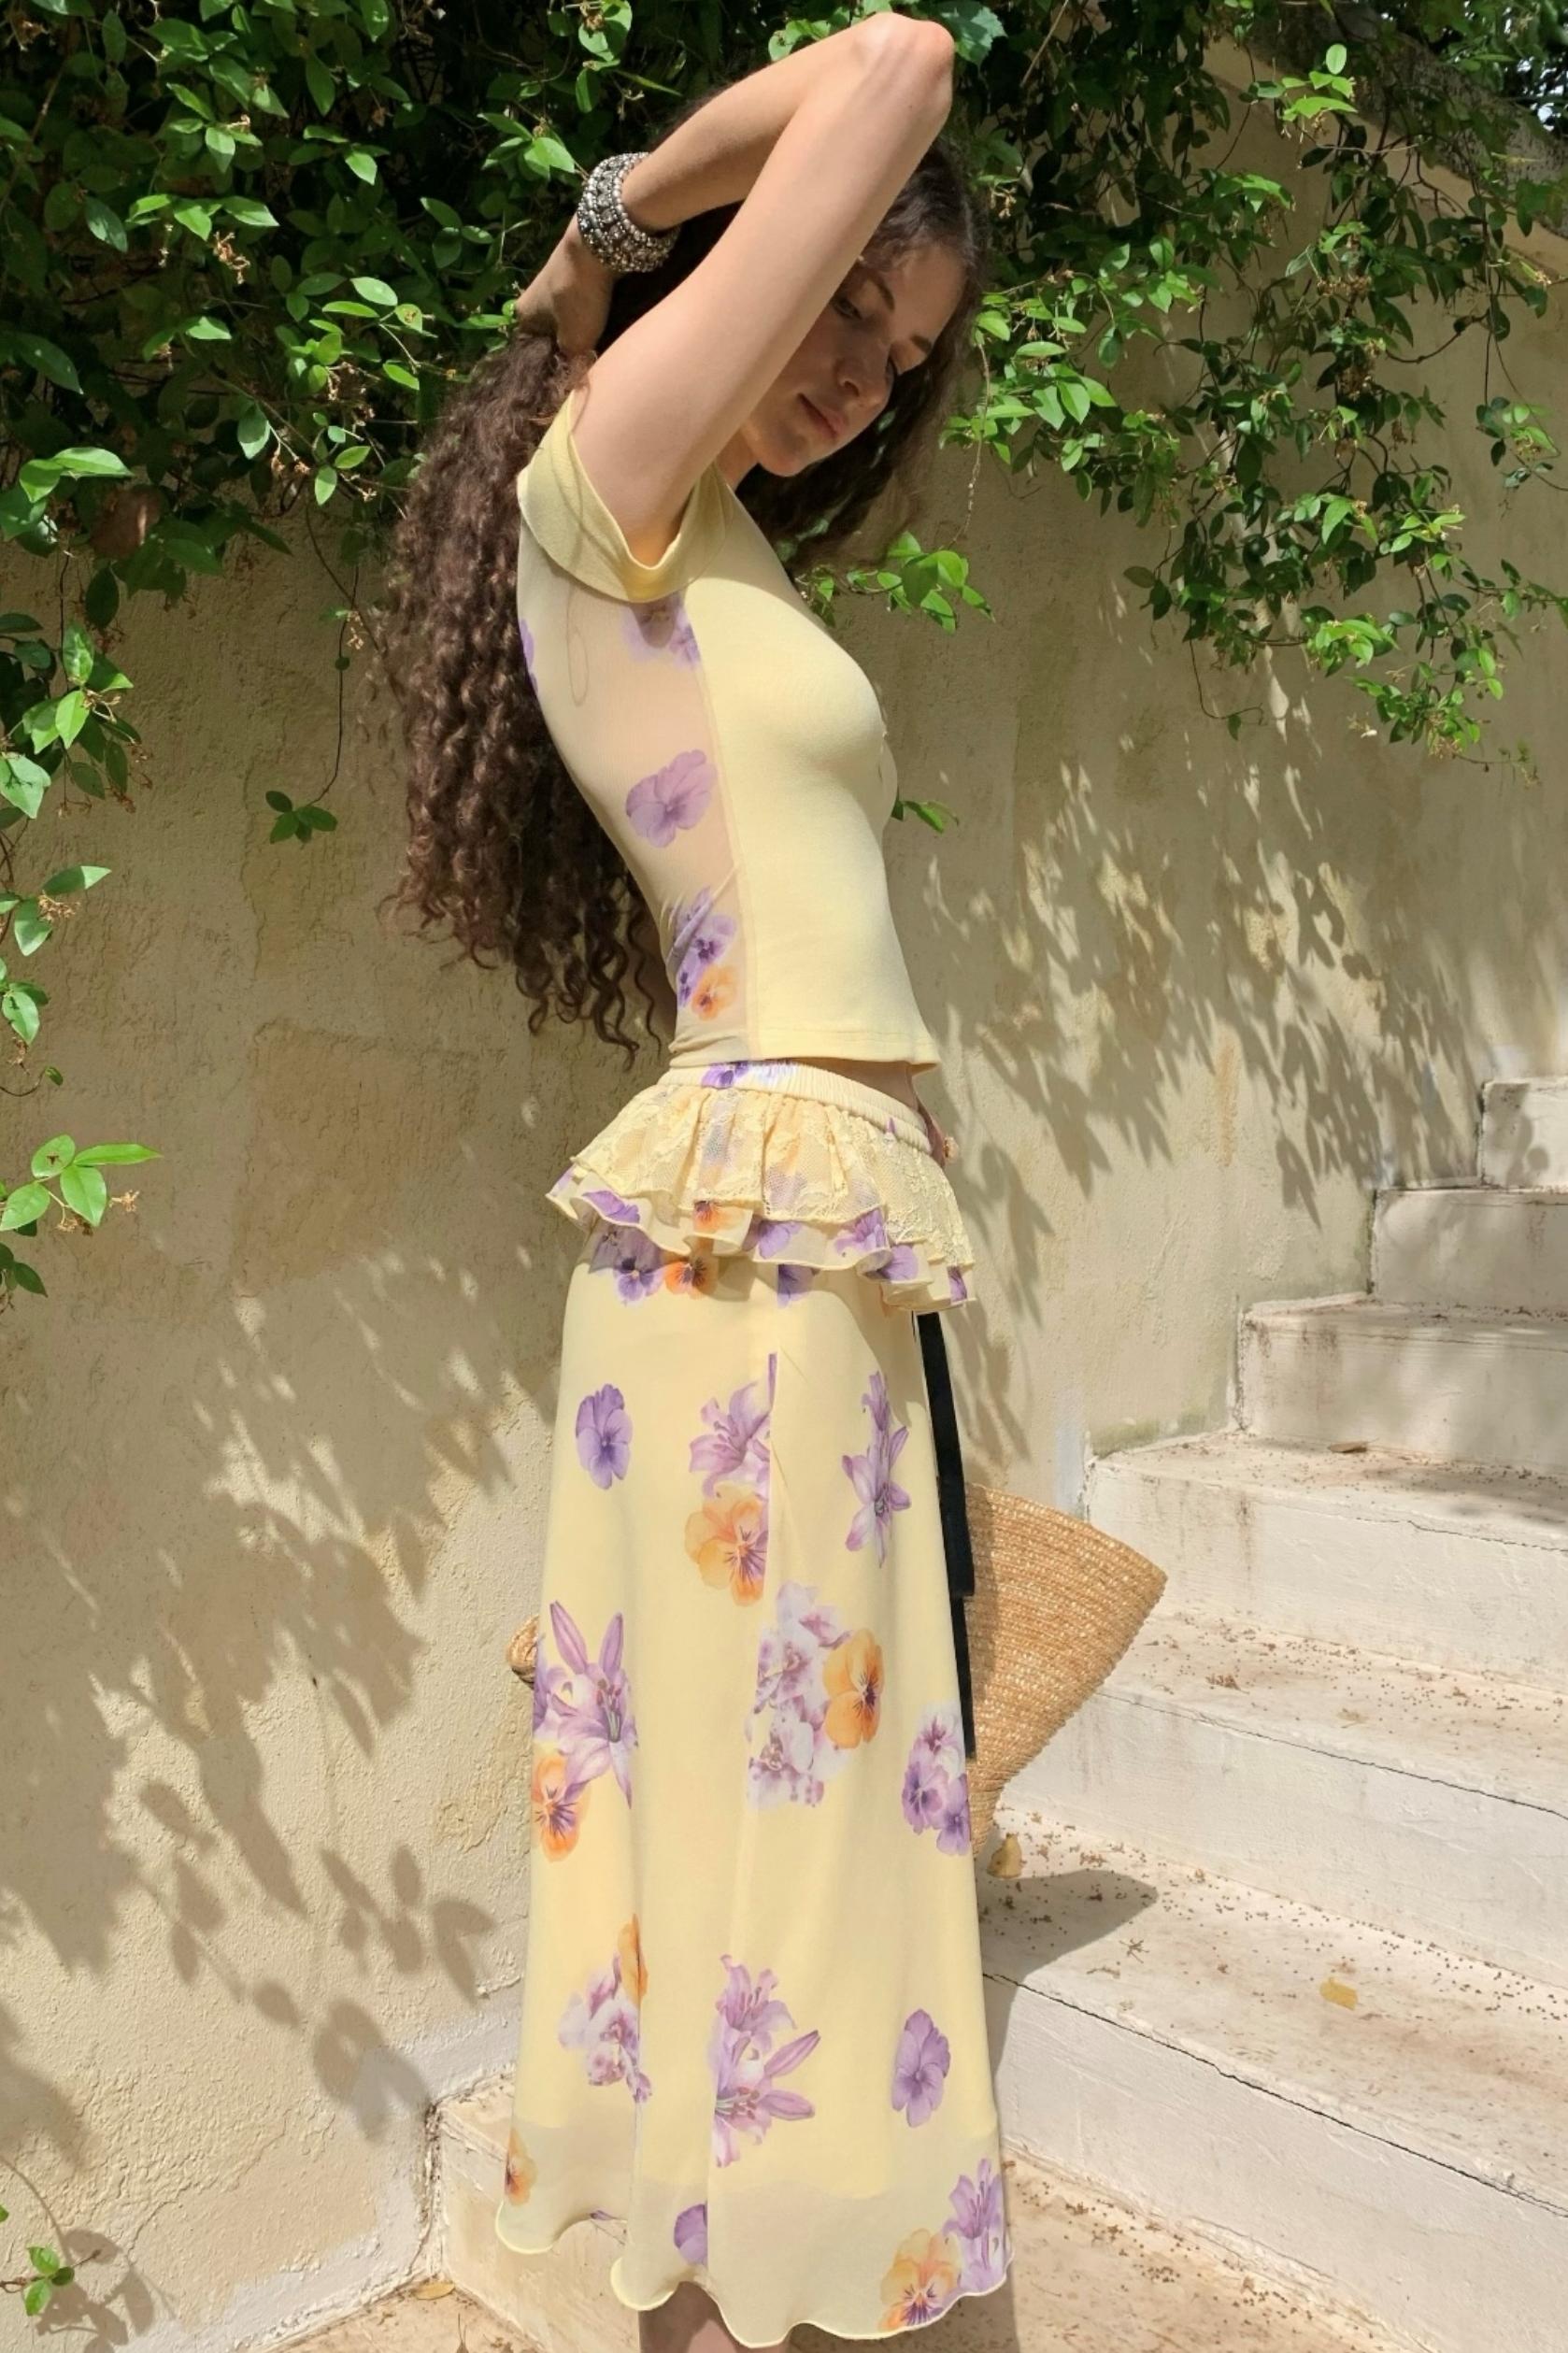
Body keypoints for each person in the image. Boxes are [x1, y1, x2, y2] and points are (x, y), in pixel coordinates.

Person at [380, 14, 1010, 2348]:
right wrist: (607, 234)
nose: (861, 370)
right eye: (844, 297)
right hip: (752, 1245)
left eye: (903, 353)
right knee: (770, 1850)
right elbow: (901, 57)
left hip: (807, 1229)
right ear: (757, 257)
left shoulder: (718, 546)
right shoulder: (615, 464)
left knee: (788, 1846)